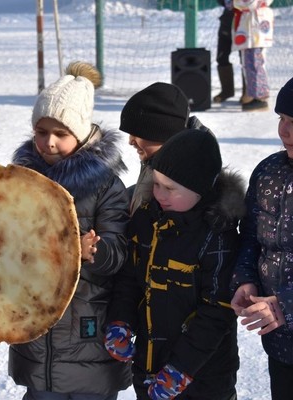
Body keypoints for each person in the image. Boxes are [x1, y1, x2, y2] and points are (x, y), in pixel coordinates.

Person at [8, 61, 131, 400]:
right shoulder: (19, 183)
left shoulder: (106, 186)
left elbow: (119, 250)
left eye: (60, 134)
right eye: (41, 132)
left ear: (80, 134)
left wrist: (96, 251)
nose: (48, 142)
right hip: (38, 329)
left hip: (87, 331)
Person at [106, 128, 244, 400]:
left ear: (200, 190)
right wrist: (120, 321)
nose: (159, 194)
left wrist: (182, 369)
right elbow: (129, 280)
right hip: (150, 368)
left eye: (170, 188)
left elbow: (218, 312)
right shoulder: (147, 220)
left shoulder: (217, 236)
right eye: (156, 183)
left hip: (204, 379)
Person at [230, 77, 293, 400]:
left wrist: (285, 304)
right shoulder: (269, 173)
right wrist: (246, 280)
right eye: (282, 119)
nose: (285, 132)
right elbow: (251, 238)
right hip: (281, 344)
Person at [119, 82, 212, 215]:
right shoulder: (155, 163)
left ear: (162, 134)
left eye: (137, 134)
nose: (130, 141)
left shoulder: (186, 182)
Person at [232, 0, 274, 111]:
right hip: (251, 24)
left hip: (255, 25)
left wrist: (235, 3)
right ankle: (256, 94)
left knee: (254, 62)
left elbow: (249, 3)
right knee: (251, 62)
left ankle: (259, 96)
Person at [213, 0, 236, 103]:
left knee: (246, 60)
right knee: (221, 57)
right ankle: (227, 91)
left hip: (245, 23)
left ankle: (248, 94)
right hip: (227, 21)